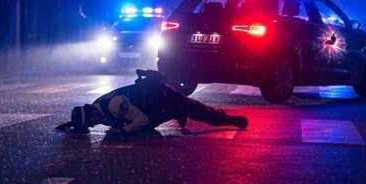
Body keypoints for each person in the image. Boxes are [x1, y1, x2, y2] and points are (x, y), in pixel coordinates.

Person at [56, 69, 248, 135]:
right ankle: (173, 113)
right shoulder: (95, 108)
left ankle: (232, 121)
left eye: (91, 122)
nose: (93, 125)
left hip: (159, 96)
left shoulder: (113, 106)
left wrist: (122, 130)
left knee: (198, 111)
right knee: (143, 129)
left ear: (92, 113)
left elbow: (142, 120)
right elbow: (83, 118)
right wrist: (70, 125)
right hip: (148, 103)